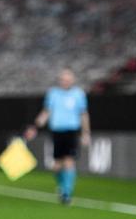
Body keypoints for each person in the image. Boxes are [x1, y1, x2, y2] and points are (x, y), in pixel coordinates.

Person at [24, 69, 90, 204]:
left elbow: (83, 114)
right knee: (56, 165)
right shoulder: (53, 94)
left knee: (69, 160)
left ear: (72, 80)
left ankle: (67, 193)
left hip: (71, 131)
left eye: (68, 79)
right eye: (63, 79)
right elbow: (46, 112)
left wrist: (86, 132)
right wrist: (35, 127)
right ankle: (62, 187)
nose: (65, 82)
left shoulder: (78, 94)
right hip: (57, 132)